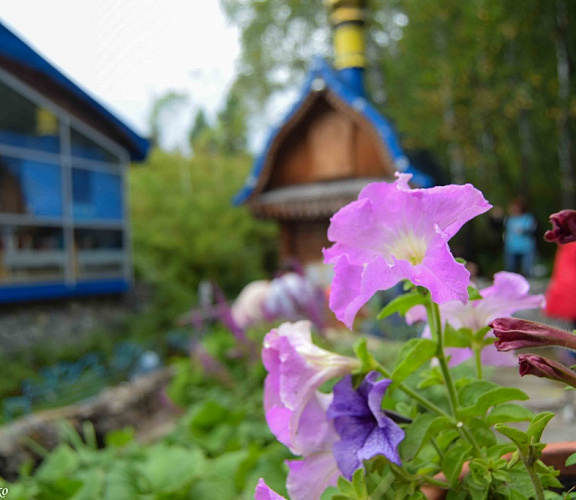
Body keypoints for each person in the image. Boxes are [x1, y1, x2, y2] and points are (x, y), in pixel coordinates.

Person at [501, 197, 538, 277]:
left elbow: (531, 230)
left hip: (526, 247)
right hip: (511, 247)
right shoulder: (509, 219)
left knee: (527, 269)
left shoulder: (528, 218)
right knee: (510, 269)